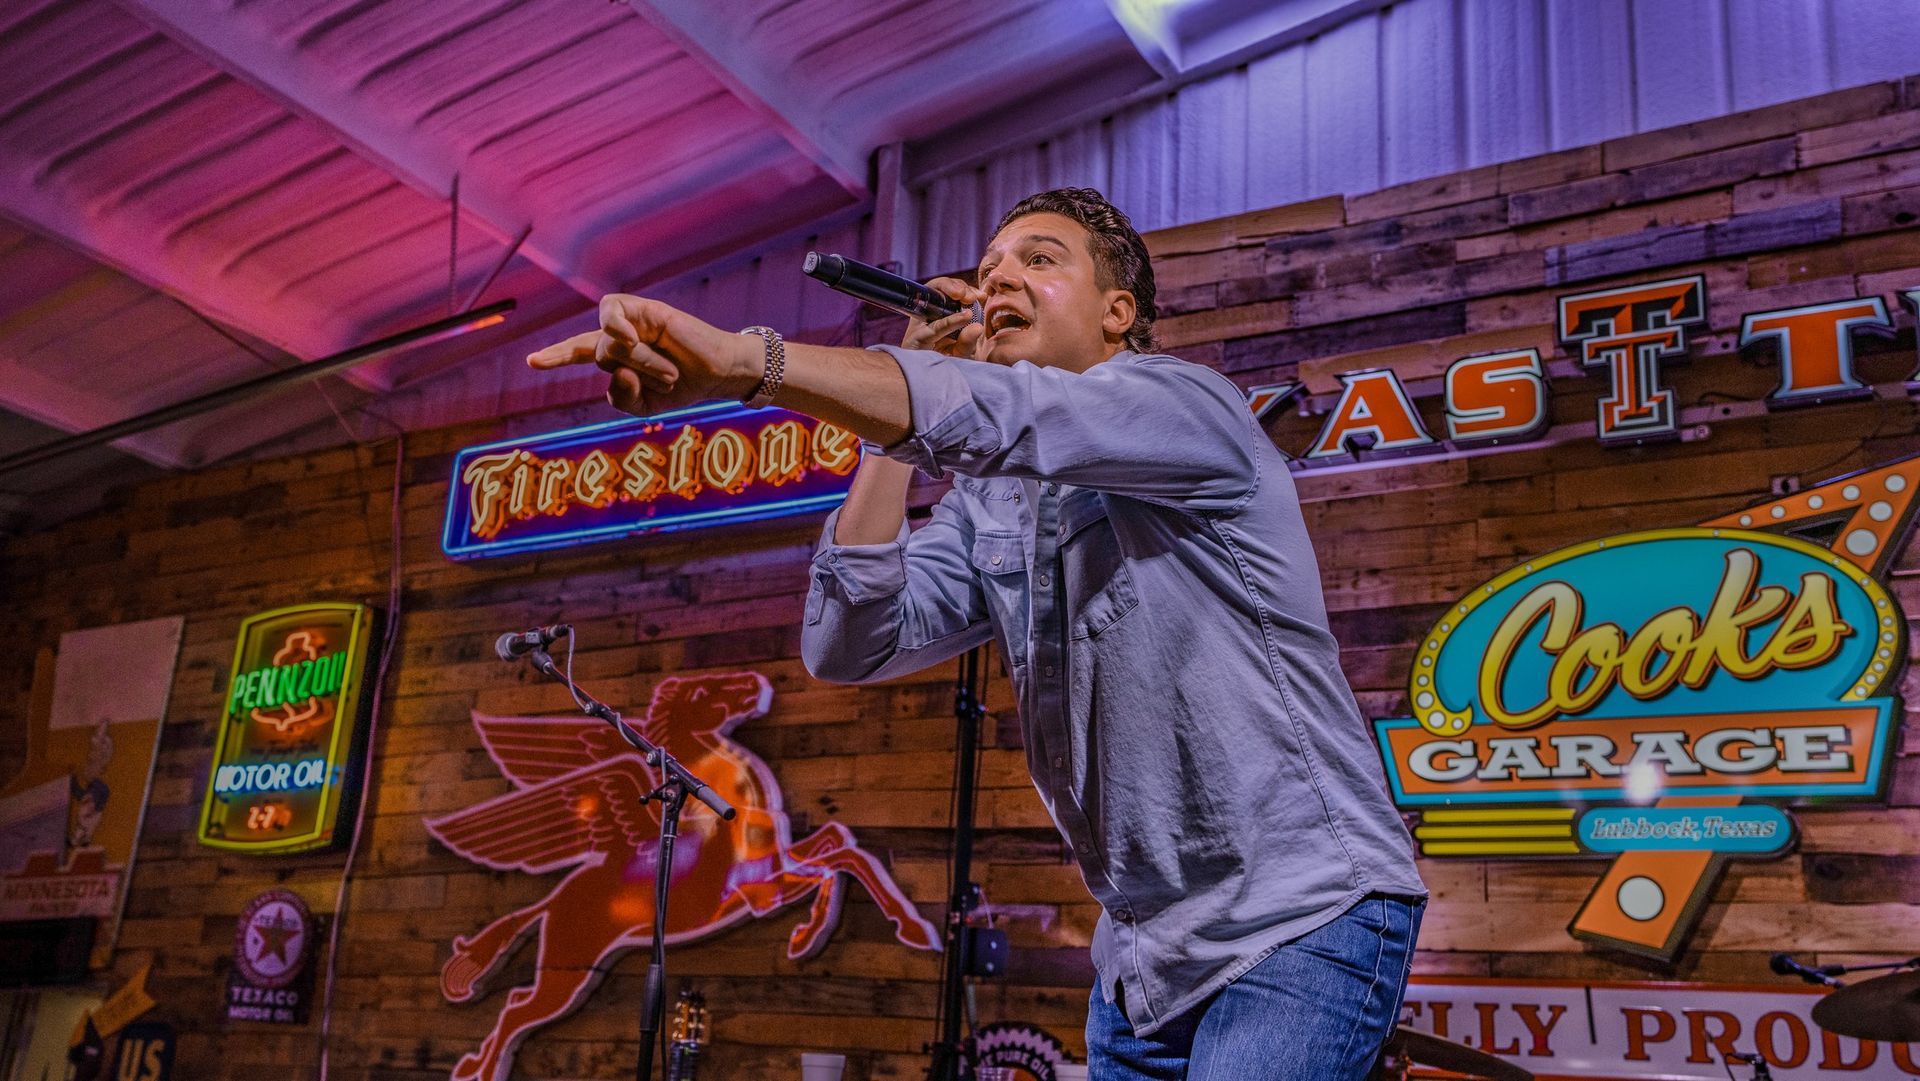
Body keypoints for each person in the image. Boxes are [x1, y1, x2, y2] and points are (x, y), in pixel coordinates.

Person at [529, 188, 1426, 1079]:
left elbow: (1011, 414)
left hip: (1300, 915)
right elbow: (849, 641)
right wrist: (890, 436)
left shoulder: (1187, 405)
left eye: (1039, 259)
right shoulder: (995, 500)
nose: (998, 279)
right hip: (1144, 960)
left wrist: (745, 362)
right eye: (990, 267)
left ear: (1118, 313)